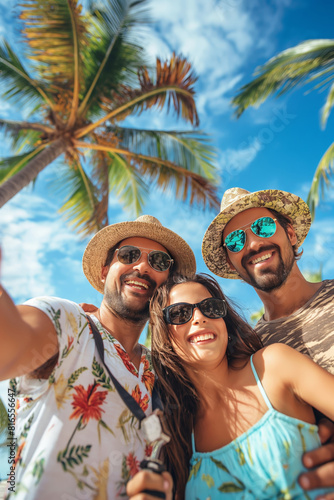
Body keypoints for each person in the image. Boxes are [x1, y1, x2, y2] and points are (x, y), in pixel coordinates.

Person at [0, 215, 194, 500]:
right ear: (104, 271)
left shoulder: (164, 371)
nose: (142, 266)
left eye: (159, 262)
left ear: (167, 283)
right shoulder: (69, 322)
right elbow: (11, 344)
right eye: (128, 255)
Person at [144, 272, 334, 499]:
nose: (198, 317)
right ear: (163, 335)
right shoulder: (179, 435)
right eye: (179, 313)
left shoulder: (273, 365)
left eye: (210, 307)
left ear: (224, 320)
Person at [201, 187, 334, 493]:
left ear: (291, 234)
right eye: (235, 240)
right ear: (231, 262)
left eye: (263, 226)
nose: (254, 243)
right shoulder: (248, 352)